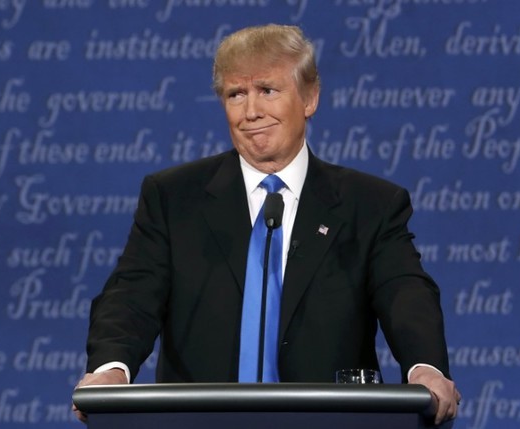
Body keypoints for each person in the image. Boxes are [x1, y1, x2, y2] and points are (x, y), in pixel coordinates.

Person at [73, 24, 461, 424]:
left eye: (267, 91)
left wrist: (425, 367)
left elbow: (405, 293)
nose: (251, 111)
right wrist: (110, 369)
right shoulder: (173, 198)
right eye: (236, 94)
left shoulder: (370, 204)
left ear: (310, 97)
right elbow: (132, 294)